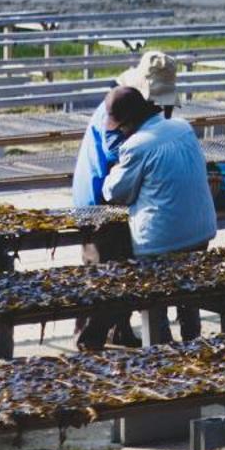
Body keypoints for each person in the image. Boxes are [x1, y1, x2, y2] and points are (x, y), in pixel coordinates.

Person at [83, 84, 218, 349]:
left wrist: (116, 164)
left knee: (117, 260)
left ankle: (159, 341)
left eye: (120, 126)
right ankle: (192, 337)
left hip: (162, 243)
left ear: (130, 122)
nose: (119, 131)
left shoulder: (136, 145)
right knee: (186, 284)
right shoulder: (183, 127)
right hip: (202, 232)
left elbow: (114, 192)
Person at [71, 50, 182, 351]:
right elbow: (115, 156)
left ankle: (118, 331)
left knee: (122, 267)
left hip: (120, 198)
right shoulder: (115, 107)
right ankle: (88, 338)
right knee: (106, 270)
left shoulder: (140, 105)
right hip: (98, 199)